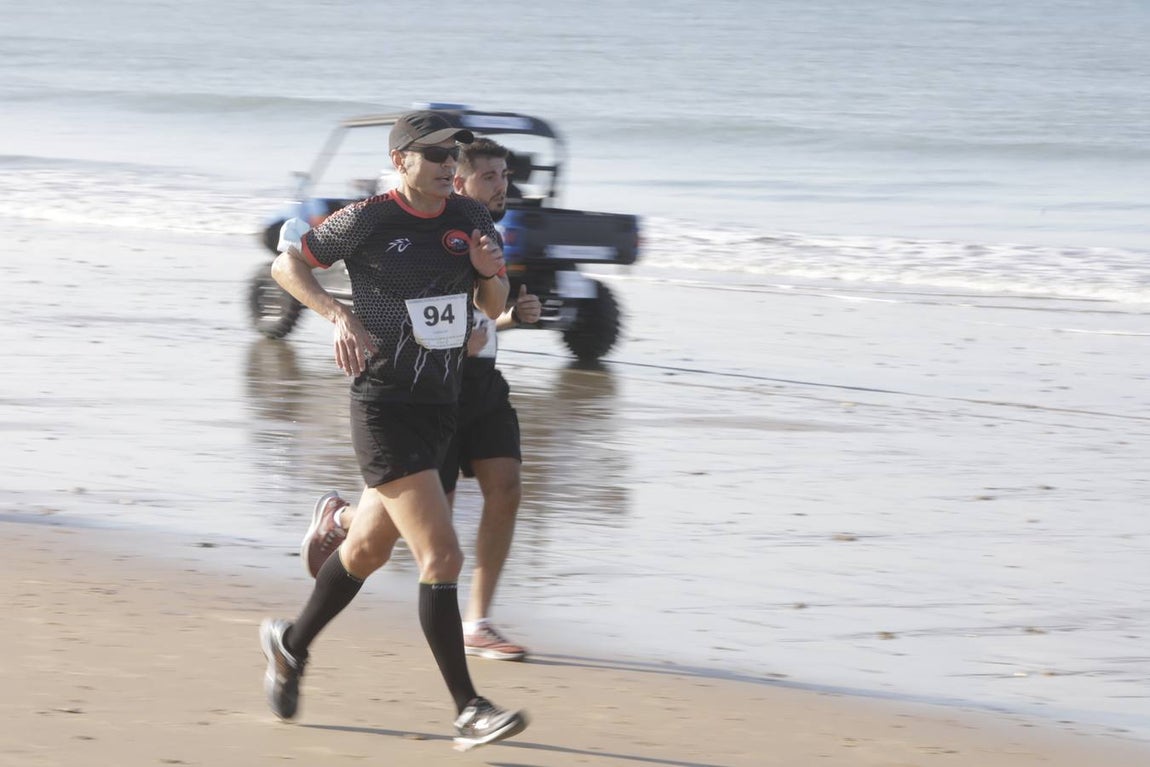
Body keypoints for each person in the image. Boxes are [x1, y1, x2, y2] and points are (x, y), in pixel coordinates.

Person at [259, 111, 528, 752]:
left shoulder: (472, 220)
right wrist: (337, 315)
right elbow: (286, 267)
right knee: (441, 556)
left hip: (442, 403)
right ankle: (468, 710)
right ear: (401, 158)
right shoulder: (370, 217)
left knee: (366, 553)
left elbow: (489, 312)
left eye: (451, 154)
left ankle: (289, 645)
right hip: (385, 404)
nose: (445, 163)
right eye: (433, 153)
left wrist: (491, 273)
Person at [299, 138, 541, 663]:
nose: (501, 185)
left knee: (507, 487)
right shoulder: (395, 222)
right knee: (408, 535)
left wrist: (506, 312)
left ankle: (477, 620)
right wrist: (342, 316)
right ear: (457, 181)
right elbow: (300, 264)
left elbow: (486, 304)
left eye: (505, 175)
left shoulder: (480, 227)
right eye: (489, 176)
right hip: (413, 388)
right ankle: (340, 525)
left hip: (474, 384)